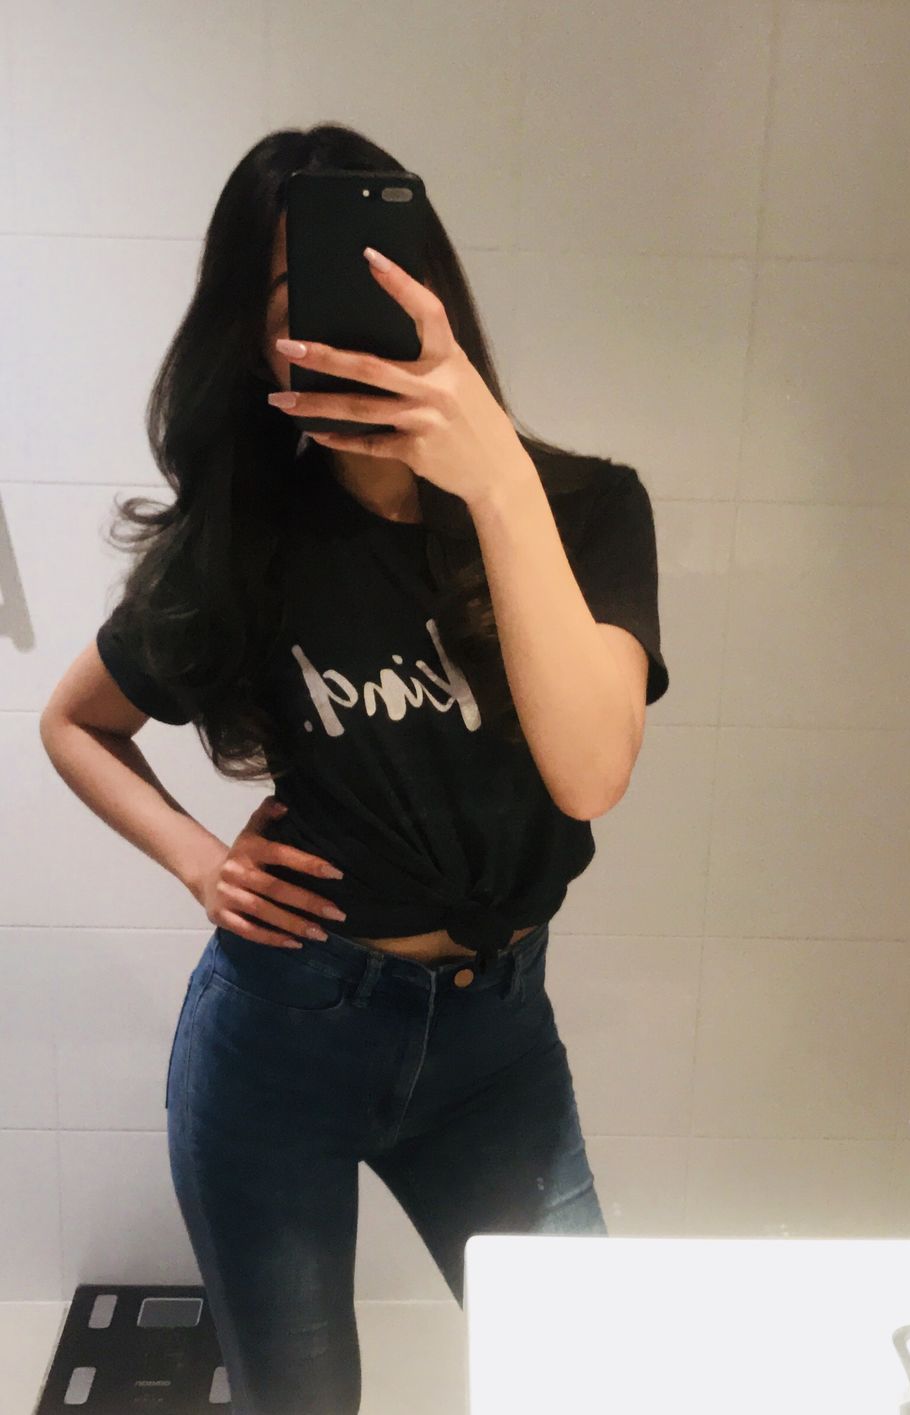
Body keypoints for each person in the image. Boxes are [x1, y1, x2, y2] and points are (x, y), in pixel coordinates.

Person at [40, 124, 669, 1415]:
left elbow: (591, 773)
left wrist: (493, 476)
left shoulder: (585, 510)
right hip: (282, 1040)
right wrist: (200, 864)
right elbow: (73, 723)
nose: (345, 329)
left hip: (497, 1052)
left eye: (380, 286)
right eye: (299, 303)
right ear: (255, 340)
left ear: (435, 296)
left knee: (599, 1381)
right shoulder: (245, 544)